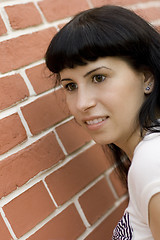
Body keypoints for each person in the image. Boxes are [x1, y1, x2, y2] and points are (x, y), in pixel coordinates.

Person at [45, 5, 160, 239]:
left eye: (99, 77)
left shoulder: (152, 163)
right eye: (70, 86)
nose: (82, 103)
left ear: (146, 77)